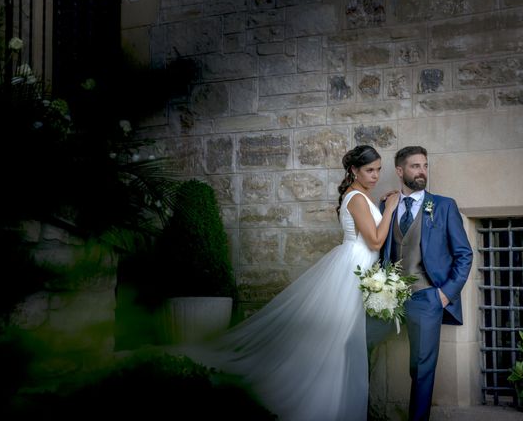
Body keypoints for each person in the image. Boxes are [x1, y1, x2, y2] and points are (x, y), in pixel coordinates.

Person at [167, 145, 399, 421]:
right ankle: (320, 407)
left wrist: (380, 204)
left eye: (378, 170)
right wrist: (390, 210)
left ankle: (335, 406)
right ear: (353, 171)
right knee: (337, 343)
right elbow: (374, 240)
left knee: (341, 343)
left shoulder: (361, 196)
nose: (375, 175)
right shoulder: (357, 198)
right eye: (369, 170)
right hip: (352, 271)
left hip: (357, 268)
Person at [369, 146, 473, 421]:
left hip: (428, 297)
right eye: (415, 166)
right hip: (388, 298)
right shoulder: (385, 205)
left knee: (422, 367)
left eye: (425, 166)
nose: (422, 172)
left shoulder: (443, 205)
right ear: (400, 171)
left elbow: (464, 254)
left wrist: (444, 294)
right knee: (361, 343)